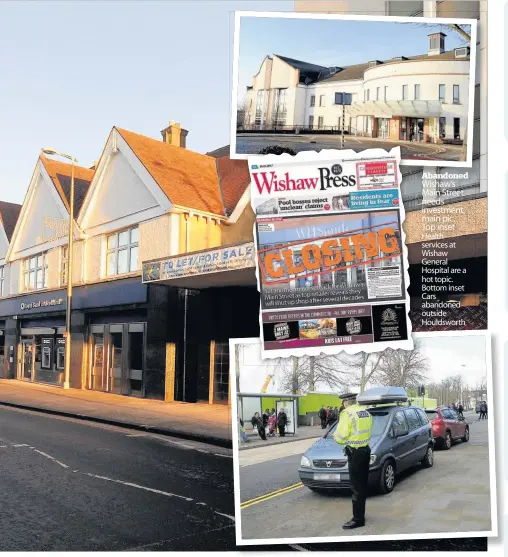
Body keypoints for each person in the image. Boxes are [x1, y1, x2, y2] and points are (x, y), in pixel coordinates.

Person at [333, 392, 373, 530]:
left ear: (345, 402)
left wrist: (335, 436)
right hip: (366, 450)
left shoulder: (347, 414)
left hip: (355, 453)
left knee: (356, 487)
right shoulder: (365, 412)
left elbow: (341, 437)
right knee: (362, 485)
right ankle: (361, 514)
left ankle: (358, 519)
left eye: (343, 402)